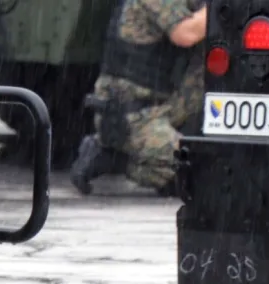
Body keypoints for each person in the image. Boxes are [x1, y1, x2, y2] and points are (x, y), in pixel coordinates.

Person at [70, 0, 208, 196]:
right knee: (197, 171)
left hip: (158, 105)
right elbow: (185, 34)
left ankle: (134, 152)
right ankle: (113, 158)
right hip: (132, 114)